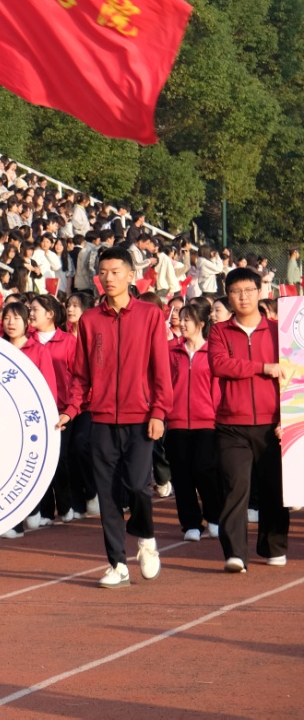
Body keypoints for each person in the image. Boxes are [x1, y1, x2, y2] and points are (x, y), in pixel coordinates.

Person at [58, 246, 172, 589]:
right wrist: (71, 410)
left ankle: (146, 538)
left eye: (115, 271)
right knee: (107, 495)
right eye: (103, 272)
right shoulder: (90, 320)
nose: (108, 278)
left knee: (137, 485)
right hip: (102, 419)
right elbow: (81, 375)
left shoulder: (150, 315)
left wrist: (159, 412)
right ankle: (118, 564)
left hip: (141, 418)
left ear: (130, 275)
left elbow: (161, 370)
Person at [207, 267, 290, 572]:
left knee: (273, 489)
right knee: (235, 487)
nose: (243, 297)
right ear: (228, 296)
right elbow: (219, 365)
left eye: (249, 291)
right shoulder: (219, 331)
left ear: (260, 292)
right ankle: (235, 554)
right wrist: (263, 367)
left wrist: (288, 419)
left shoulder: (279, 331)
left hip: (273, 425)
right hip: (232, 425)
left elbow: (295, 376)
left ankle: (274, 547)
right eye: (236, 292)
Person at [0, 301, 59, 539]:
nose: (11, 323)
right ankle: (14, 523)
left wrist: (49, 418)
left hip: (29, 421)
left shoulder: (38, 351)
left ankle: (32, 508)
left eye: (16, 318)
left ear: (26, 322)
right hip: (3, 419)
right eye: (6, 318)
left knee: (26, 469)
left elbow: (48, 387)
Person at [167, 299, 224, 544]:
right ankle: (191, 523)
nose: (182, 323)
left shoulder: (213, 352)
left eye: (187, 319)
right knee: (182, 477)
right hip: (177, 424)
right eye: (181, 318)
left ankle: (215, 518)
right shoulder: (172, 352)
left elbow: (217, 389)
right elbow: (165, 385)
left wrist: (217, 416)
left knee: (206, 472)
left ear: (200, 323)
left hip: (207, 425)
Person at [29, 293, 83, 524]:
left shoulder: (68, 341)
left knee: (60, 459)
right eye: (30, 309)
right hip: (34, 411)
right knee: (39, 461)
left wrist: (70, 408)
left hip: (62, 410)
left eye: (35, 310)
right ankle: (45, 511)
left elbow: (78, 377)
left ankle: (66, 503)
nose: (31, 313)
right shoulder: (27, 342)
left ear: (50, 314)